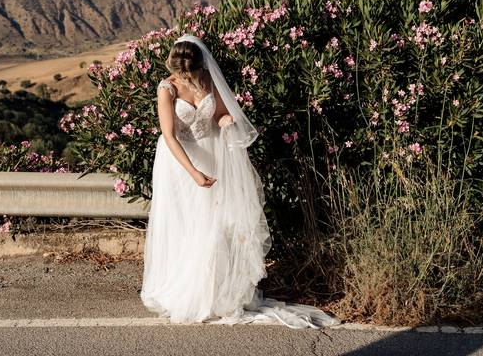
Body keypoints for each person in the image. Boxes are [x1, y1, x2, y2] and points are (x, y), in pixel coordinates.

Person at [139, 34, 338, 328]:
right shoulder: (166, 89)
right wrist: (193, 173)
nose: (186, 77)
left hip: (212, 155)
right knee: (188, 225)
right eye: (182, 73)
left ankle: (213, 289)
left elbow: (218, 114)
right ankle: (185, 290)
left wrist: (225, 122)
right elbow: (168, 135)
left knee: (215, 224)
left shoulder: (207, 78)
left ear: (198, 66)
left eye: (190, 72)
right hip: (179, 163)